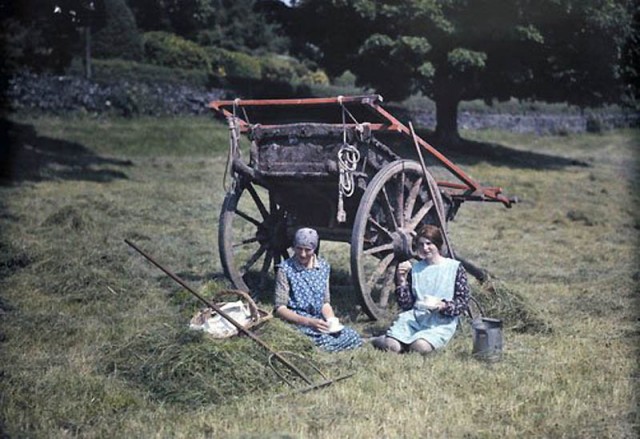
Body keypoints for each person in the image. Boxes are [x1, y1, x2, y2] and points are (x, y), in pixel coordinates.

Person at [372, 224, 469, 355]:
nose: (425, 248)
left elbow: (463, 302)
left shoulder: (454, 268)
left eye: (429, 244)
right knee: (392, 346)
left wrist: (443, 306)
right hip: (415, 319)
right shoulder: (415, 269)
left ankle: (411, 343)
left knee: (419, 346)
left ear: (438, 244)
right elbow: (407, 305)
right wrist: (401, 281)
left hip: (440, 322)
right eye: (421, 244)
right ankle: (381, 340)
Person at [274, 227, 362, 352]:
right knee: (321, 342)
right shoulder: (285, 269)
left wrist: (331, 321)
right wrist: (309, 322)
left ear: (314, 249)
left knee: (353, 336)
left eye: (307, 250)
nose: (303, 254)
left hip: (318, 320)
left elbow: (325, 303)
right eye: (299, 248)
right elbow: (280, 308)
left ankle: (331, 344)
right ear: (294, 247)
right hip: (297, 321)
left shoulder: (323, 267)